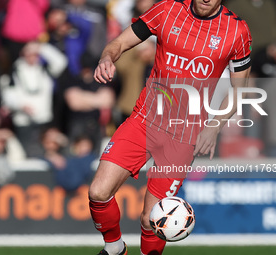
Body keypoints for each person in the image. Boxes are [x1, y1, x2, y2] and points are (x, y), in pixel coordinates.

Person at [89, 0, 252, 255]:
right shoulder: (167, 9)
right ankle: (114, 248)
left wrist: (214, 126)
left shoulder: (236, 31)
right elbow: (119, 42)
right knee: (98, 192)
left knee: (152, 220)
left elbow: (239, 91)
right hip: (145, 120)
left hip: (184, 135)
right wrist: (106, 58)